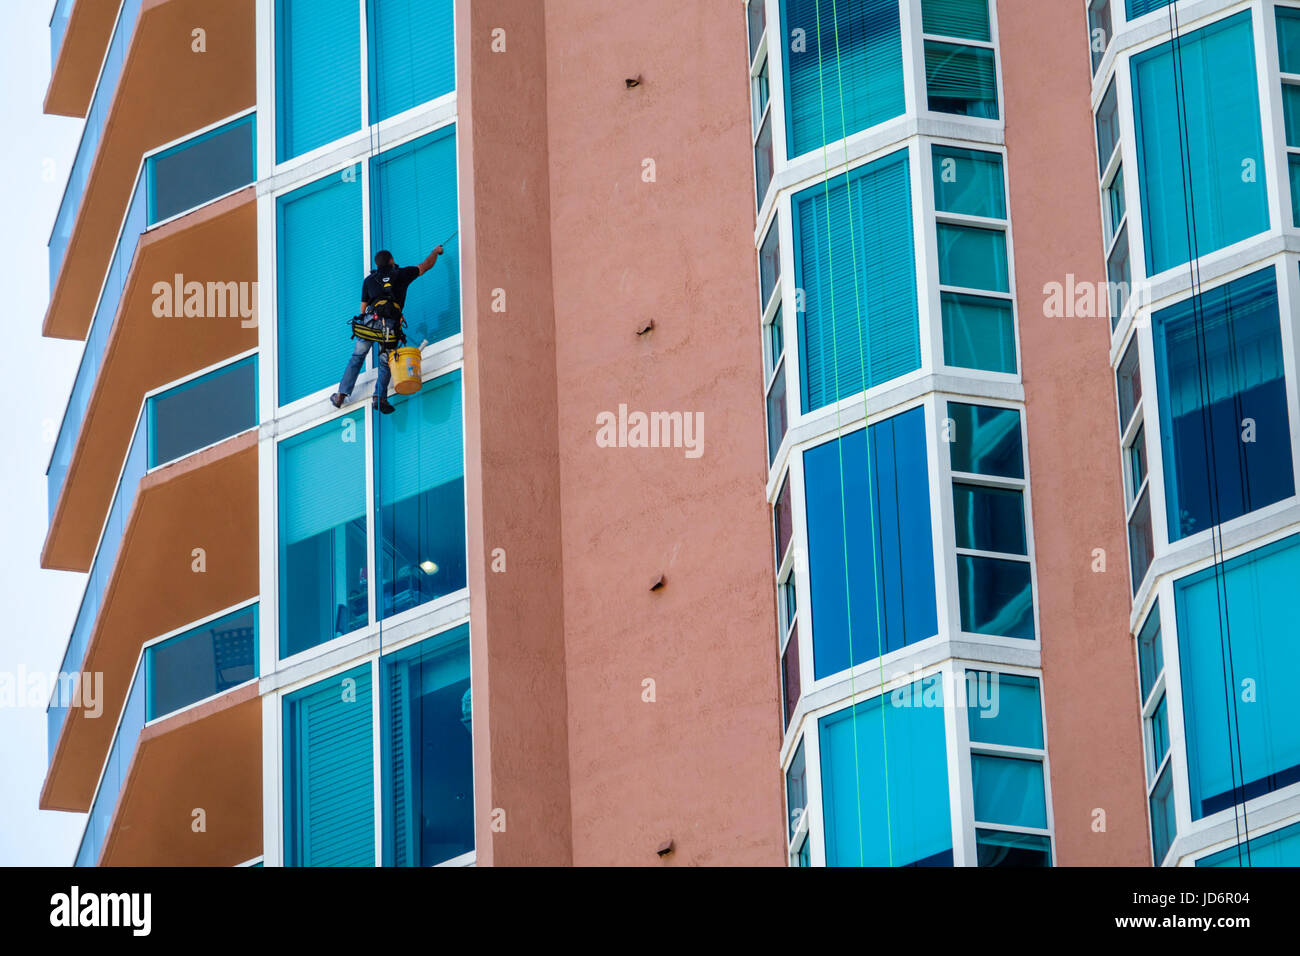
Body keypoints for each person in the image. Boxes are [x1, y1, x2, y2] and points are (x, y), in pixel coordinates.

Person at [331, 245, 443, 414]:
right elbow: (425, 266)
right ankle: (379, 397)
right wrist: (435, 252)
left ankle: (341, 394)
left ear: (377, 265)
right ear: (391, 261)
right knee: (385, 361)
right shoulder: (402, 274)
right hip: (389, 325)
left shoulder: (369, 280)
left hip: (370, 322)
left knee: (357, 357)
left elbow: (363, 310)